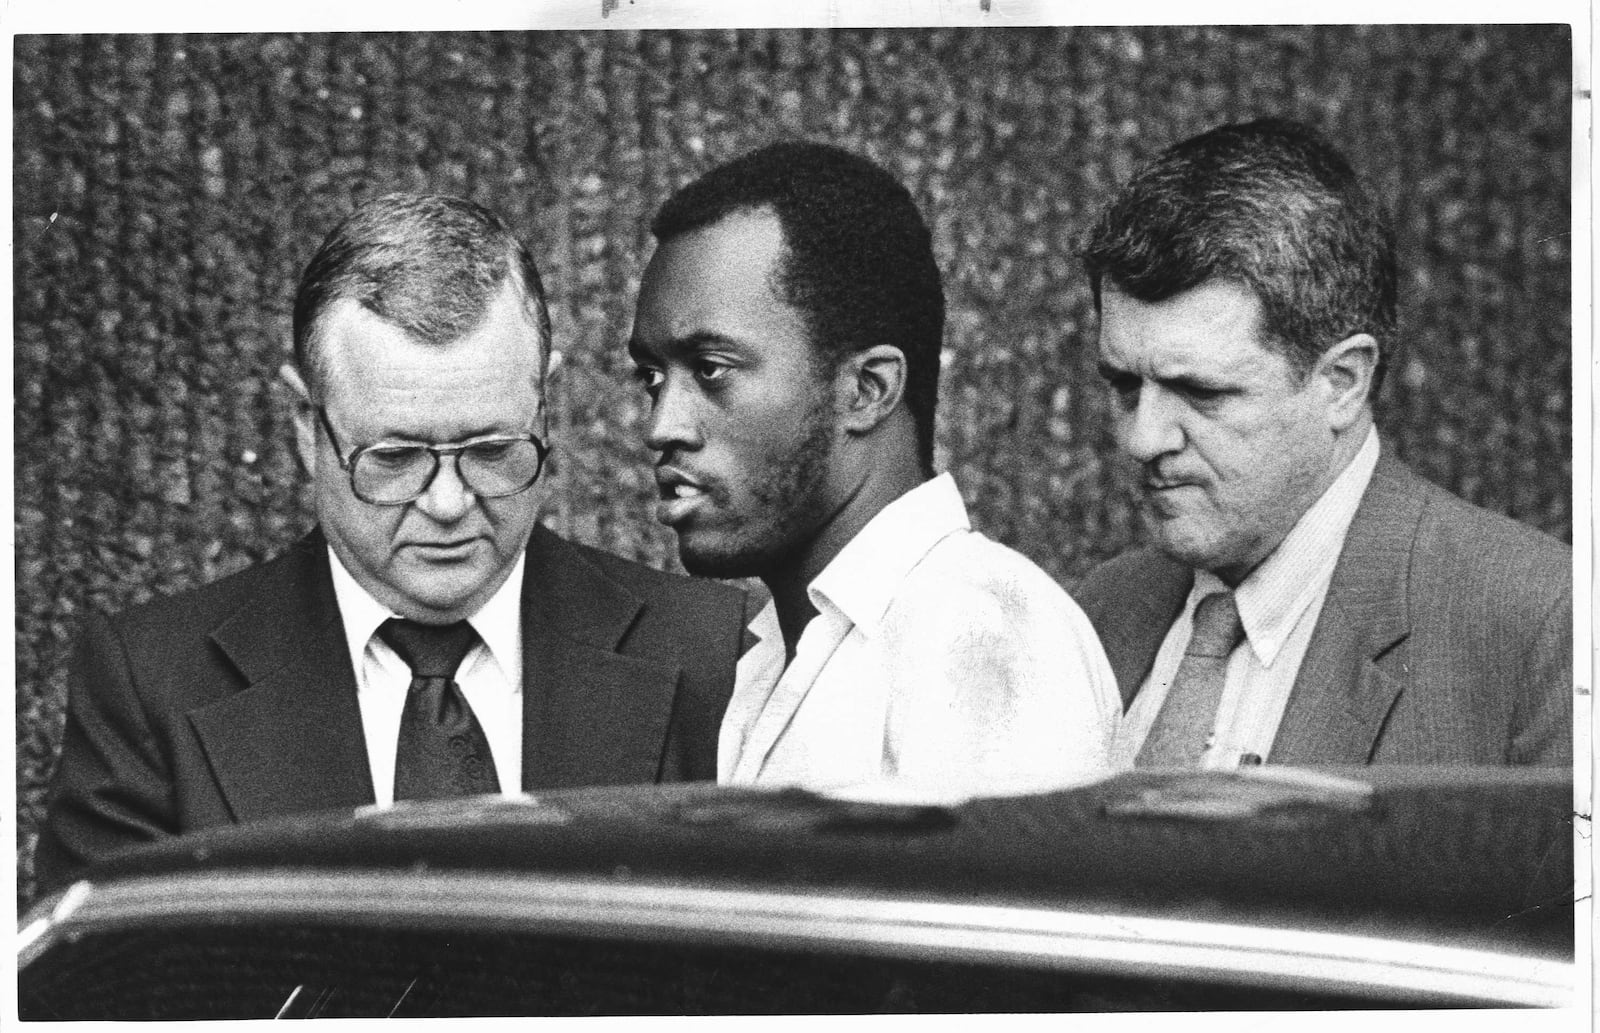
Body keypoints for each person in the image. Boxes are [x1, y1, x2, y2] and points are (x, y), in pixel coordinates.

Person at [36, 193, 746, 890]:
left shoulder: (718, 654)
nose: (446, 503)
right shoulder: (150, 684)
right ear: (304, 426)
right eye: (396, 457)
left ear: (544, 404)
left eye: (491, 449)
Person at [1075, 119, 1571, 768]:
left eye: (1201, 392)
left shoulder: (1537, 624)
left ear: (1342, 381)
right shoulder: (1104, 610)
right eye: (1123, 385)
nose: (1144, 437)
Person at [628, 142, 1119, 790]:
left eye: (712, 369)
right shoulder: (786, 644)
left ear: (867, 389)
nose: (662, 426)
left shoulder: (972, 630)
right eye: (652, 377)